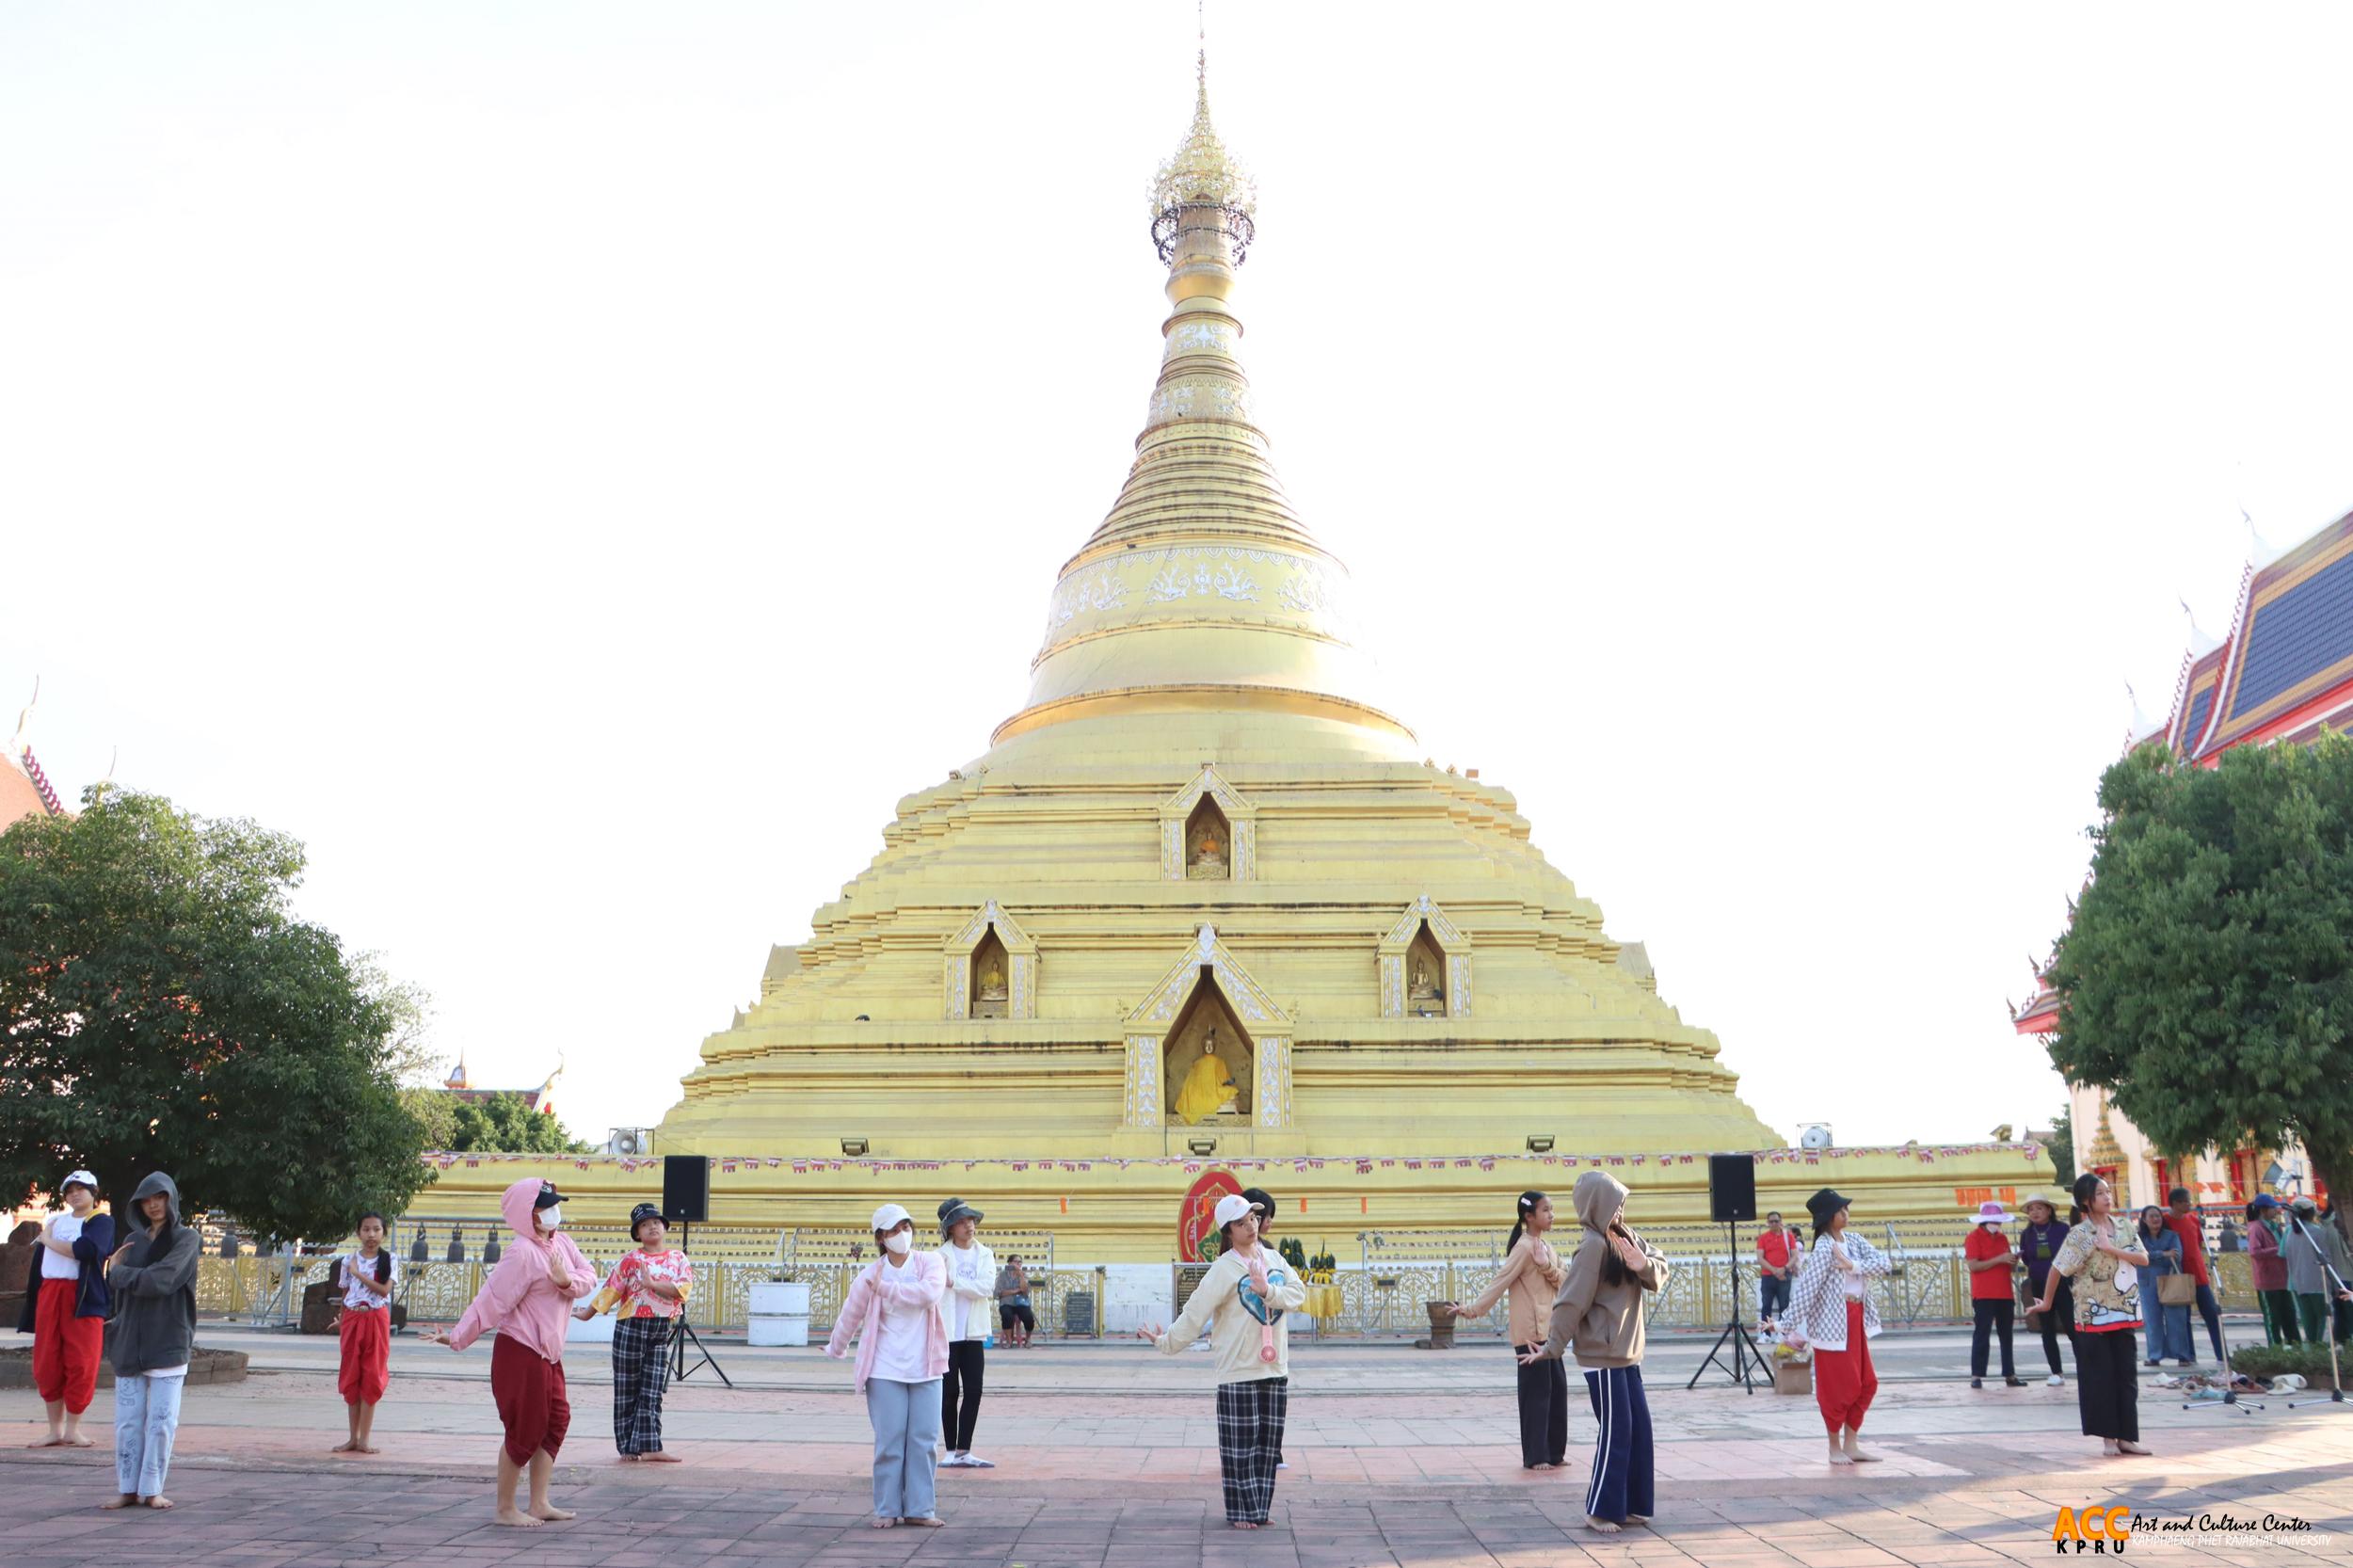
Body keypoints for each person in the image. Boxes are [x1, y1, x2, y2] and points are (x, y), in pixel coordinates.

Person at [421, 1179, 595, 1528]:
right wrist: (457, 1336)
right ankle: (505, 1508)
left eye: (553, 1205)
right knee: (525, 1428)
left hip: (549, 1355)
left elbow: (589, 1276)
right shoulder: (522, 1253)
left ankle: (539, 1502)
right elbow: (492, 1300)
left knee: (555, 1422)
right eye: (544, 1207)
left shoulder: (561, 1242)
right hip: (521, 1351)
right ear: (527, 1214)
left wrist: (565, 1281)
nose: (553, 1212)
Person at [1137, 1192, 1305, 1530]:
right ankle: (1240, 1511)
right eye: (1242, 1223)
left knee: (1269, 1445)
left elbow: (1298, 1294)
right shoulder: (1223, 1269)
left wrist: (1268, 1292)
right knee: (1239, 1445)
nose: (1251, 1226)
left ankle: (1259, 1508)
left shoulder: (1274, 1259)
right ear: (1228, 1231)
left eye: (1254, 1220)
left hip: (1275, 1366)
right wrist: (1165, 1342)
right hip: (1238, 1369)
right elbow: (1195, 1312)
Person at [1527, 1171, 1668, 1533]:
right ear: (1597, 1204)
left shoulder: (1625, 1237)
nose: (1620, 1210)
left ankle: (1634, 1504)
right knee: (1616, 1431)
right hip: (1601, 1356)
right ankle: (1600, 1510)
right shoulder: (1593, 1245)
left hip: (1628, 1354)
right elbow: (1571, 1300)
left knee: (1639, 1430)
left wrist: (1643, 1265)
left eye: (1622, 1203)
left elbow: (1660, 1265)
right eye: (1615, 1203)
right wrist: (1552, 1347)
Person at [826, 1203, 949, 1530]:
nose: (901, 1235)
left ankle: (921, 1509)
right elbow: (851, 1314)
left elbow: (929, 1294)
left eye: (905, 1228)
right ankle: (886, 1508)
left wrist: (888, 1290)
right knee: (889, 1442)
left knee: (924, 1441)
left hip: (927, 1367)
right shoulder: (870, 1275)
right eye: (893, 1231)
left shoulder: (930, 1262)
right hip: (884, 1369)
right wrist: (835, 1347)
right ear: (881, 1237)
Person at [2028, 1173, 2150, 1457]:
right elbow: (2058, 1268)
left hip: (2124, 1311)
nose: (2107, 1197)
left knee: (2126, 1377)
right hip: (2091, 1316)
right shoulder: (2080, 1234)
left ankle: (2126, 1438)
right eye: (2100, 1194)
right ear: (2086, 1201)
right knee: (2100, 1377)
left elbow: (2143, 1258)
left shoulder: (2124, 1227)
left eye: (2108, 1192)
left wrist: (2110, 1248)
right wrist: (2046, 1302)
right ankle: (2108, 1439)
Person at [1448, 1190, 1569, 1469]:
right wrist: (1471, 1309)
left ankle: (1554, 1453)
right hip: (1529, 1333)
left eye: (1552, 1209)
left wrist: (1546, 1265)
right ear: (1529, 1216)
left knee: (1556, 1395)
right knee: (1536, 1400)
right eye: (1546, 1210)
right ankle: (1536, 1457)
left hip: (1551, 1333)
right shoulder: (1524, 1248)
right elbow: (1500, 1282)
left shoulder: (1545, 1247)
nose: (1552, 1215)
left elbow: (1566, 1280)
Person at [100, 1172, 200, 1511]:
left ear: (171, 1199)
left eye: (160, 1197)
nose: (154, 1204)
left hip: (169, 1340)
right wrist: (117, 1277)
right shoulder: (133, 1239)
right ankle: (127, 1488)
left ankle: (153, 1488)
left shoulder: (187, 1238)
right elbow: (119, 1287)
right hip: (129, 1340)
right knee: (128, 1422)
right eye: (147, 1199)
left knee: (161, 1421)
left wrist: (118, 1273)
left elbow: (163, 1280)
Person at [572, 1202, 692, 1463]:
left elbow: (683, 1290)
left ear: (665, 1228)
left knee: (652, 1388)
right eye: (645, 1224)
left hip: (660, 1326)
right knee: (627, 1387)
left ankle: (650, 1446)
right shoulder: (631, 1260)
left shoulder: (678, 1258)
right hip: (631, 1325)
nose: (652, 1227)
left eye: (656, 1223)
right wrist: (588, 1313)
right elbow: (612, 1289)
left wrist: (652, 1284)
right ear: (638, 1233)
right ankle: (628, 1446)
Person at [1783, 1188, 1892, 1464]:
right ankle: (1834, 1447)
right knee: (1839, 1387)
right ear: (1828, 1217)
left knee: (1867, 1383)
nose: (1846, 1213)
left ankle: (1851, 1444)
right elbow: (1807, 1290)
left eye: (1846, 1209)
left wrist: (1853, 1265)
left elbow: (1884, 1264)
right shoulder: (1822, 1249)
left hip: (1856, 1318)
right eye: (1840, 1210)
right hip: (1832, 1325)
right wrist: (1786, 1325)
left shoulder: (1854, 1241)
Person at [18, 1170, 112, 1450]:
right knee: (47, 1361)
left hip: (81, 1298)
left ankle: (73, 1429)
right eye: (70, 1190)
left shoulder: (101, 1221)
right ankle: (54, 1430)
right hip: (50, 1295)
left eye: (81, 1188)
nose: (75, 1194)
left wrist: (47, 1240)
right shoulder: (55, 1221)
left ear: (94, 1193)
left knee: (81, 1362)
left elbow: (86, 1250)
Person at [935, 1197, 996, 1470]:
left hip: (974, 1333)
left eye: (970, 1220)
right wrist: (957, 1284)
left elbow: (986, 1288)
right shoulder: (939, 1257)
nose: (969, 1225)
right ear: (950, 1228)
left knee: (974, 1391)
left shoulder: (986, 1254)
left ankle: (965, 1449)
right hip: (947, 1332)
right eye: (961, 1222)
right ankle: (949, 1449)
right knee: (948, 1392)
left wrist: (955, 1282)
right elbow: (937, 1290)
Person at [333, 1211, 399, 1454]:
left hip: (376, 1318)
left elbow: (384, 1291)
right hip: (352, 1318)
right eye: (366, 1229)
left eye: (376, 1230)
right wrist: (341, 1319)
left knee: (372, 1374)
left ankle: (364, 1439)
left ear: (384, 1233)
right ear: (358, 1232)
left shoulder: (389, 1259)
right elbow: (345, 1293)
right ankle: (352, 1437)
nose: (371, 1235)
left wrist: (358, 1273)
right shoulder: (347, 1261)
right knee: (351, 1375)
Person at [1961, 1199, 2024, 1388]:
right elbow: (1974, 1265)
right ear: (1984, 1221)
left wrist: (2013, 1260)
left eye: (1999, 1221)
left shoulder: (2003, 1238)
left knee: (2007, 1336)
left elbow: (2008, 1265)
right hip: (1984, 1293)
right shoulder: (1973, 1238)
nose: (1997, 1224)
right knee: (1982, 1334)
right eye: (1994, 1221)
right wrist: (1999, 1259)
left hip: (2004, 1293)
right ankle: (1976, 1375)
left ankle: (2010, 1374)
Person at [2163, 1189, 2226, 1364]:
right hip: (2180, 1276)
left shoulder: (2193, 1220)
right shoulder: (2165, 1221)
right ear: (2175, 1203)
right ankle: (2188, 1355)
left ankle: (2222, 1354)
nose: (2188, 1204)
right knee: (2184, 1319)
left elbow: (2198, 1243)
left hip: (2199, 1275)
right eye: (2185, 1201)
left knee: (2212, 1315)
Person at [2018, 1192, 2073, 1384]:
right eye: (2031, 1209)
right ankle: (2056, 1372)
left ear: (2049, 1210)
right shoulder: (2027, 1234)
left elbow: (2071, 1253)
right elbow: (2026, 1258)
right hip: (2039, 1283)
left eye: (2039, 1208)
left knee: (2071, 1325)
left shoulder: (2062, 1229)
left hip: (2062, 1282)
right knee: (2047, 1328)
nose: (2035, 1212)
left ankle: (2085, 1367)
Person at [2281, 1196, 2353, 1344]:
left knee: (2310, 1325)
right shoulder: (2316, 1232)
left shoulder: (2289, 1232)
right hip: (2319, 1284)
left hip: (2298, 1284)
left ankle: (2312, 1353)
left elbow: (2284, 1254)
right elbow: (2327, 1260)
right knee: (2323, 1320)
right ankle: (2320, 1353)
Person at [2136, 1206, 2192, 1368]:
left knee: (2176, 1319)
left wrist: (2152, 1256)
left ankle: (2182, 1355)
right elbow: (2139, 1257)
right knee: (2152, 1320)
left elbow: (2177, 1255)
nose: (2155, 1220)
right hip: (2147, 1282)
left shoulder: (2172, 1236)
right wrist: (2163, 1254)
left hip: (2170, 1280)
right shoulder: (2138, 1238)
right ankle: (2155, 1355)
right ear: (2144, 1220)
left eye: (2158, 1216)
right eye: (2151, 1217)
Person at [2247, 1195, 2298, 1346]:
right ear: (2263, 1210)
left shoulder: (2275, 1226)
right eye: (2272, 1208)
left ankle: (2294, 1346)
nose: (2276, 1210)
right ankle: (2275, 1349)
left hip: (2283, 1279)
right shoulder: (2256, 1228)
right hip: (2267, 1281)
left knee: (2289, 1316)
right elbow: (2255, 1252)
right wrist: (2279, 1249)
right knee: (2273, 1319)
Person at [1755, 1209, 1796, 1327]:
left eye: (1776, 1221)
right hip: (1768, 1275)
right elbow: (1760, 1258)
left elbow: (1794, 1255)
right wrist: (1775, 1271)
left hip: (1785, 1275)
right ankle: (1765, 1333)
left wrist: (1784, 1268)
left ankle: (1782, 1332)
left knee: (1784, 1304)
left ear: (1780, 1222)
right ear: (1768, 1223)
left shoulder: (1788, 1237)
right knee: (1766, 1305)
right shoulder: (1763, 1238)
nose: (1774, 1224)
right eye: (1771, 1222)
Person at [995, 1255, 1034, 1348]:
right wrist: (1016, 1291)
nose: (1018, 1264)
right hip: (1006, 1302)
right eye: (1016, 1261)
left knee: (1028, 1317)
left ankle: (1028, 1339)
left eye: (1020, 1262)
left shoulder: (1023, 1274)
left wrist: (1021, 1276)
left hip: (1021, 1302)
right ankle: (1009, 1340)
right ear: (1010, 1263)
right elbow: (998, 1293)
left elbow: (1025, 1291)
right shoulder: (1002, 1275)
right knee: (1006, 1315)